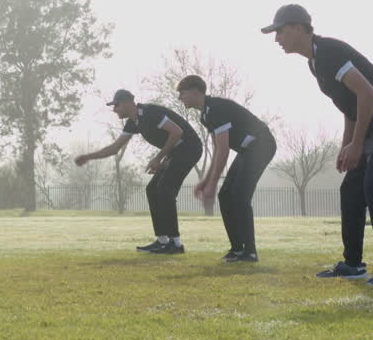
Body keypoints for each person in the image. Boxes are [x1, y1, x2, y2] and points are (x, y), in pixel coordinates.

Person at [262, 4, 373, 286]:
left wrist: (357, 144)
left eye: (280, 31)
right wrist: (346, 146)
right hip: (371, 122)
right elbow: (350, 105)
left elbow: (367, 94)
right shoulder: (315, 62)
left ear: (298, 28)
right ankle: (353, 265)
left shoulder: (329, 52)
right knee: (351, 190)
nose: (277, 39)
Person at [74, 89, 202, 254]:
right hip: (176, 152)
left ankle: (176, 244)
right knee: (152, 189)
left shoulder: (149, 113)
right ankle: (163, 241)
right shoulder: (133, 122)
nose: (115, 110)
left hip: (190, 148)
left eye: (117, 105)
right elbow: (114, 148)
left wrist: (159, 159)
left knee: (164, 189)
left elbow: (177, 132)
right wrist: (88, 156)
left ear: (128, 102)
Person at [177, 75, 276, 263]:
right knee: (226, 196)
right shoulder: (205, 114)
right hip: (248, 149)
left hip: (261, 145)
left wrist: (212, 184)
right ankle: (238, 250)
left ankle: (250, 252)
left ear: (196, 92)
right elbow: (216, 150)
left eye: (182, 93)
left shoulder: (215, 109)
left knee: (239, 195)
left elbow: (224, 149)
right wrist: (206, 180)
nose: (180, 98)